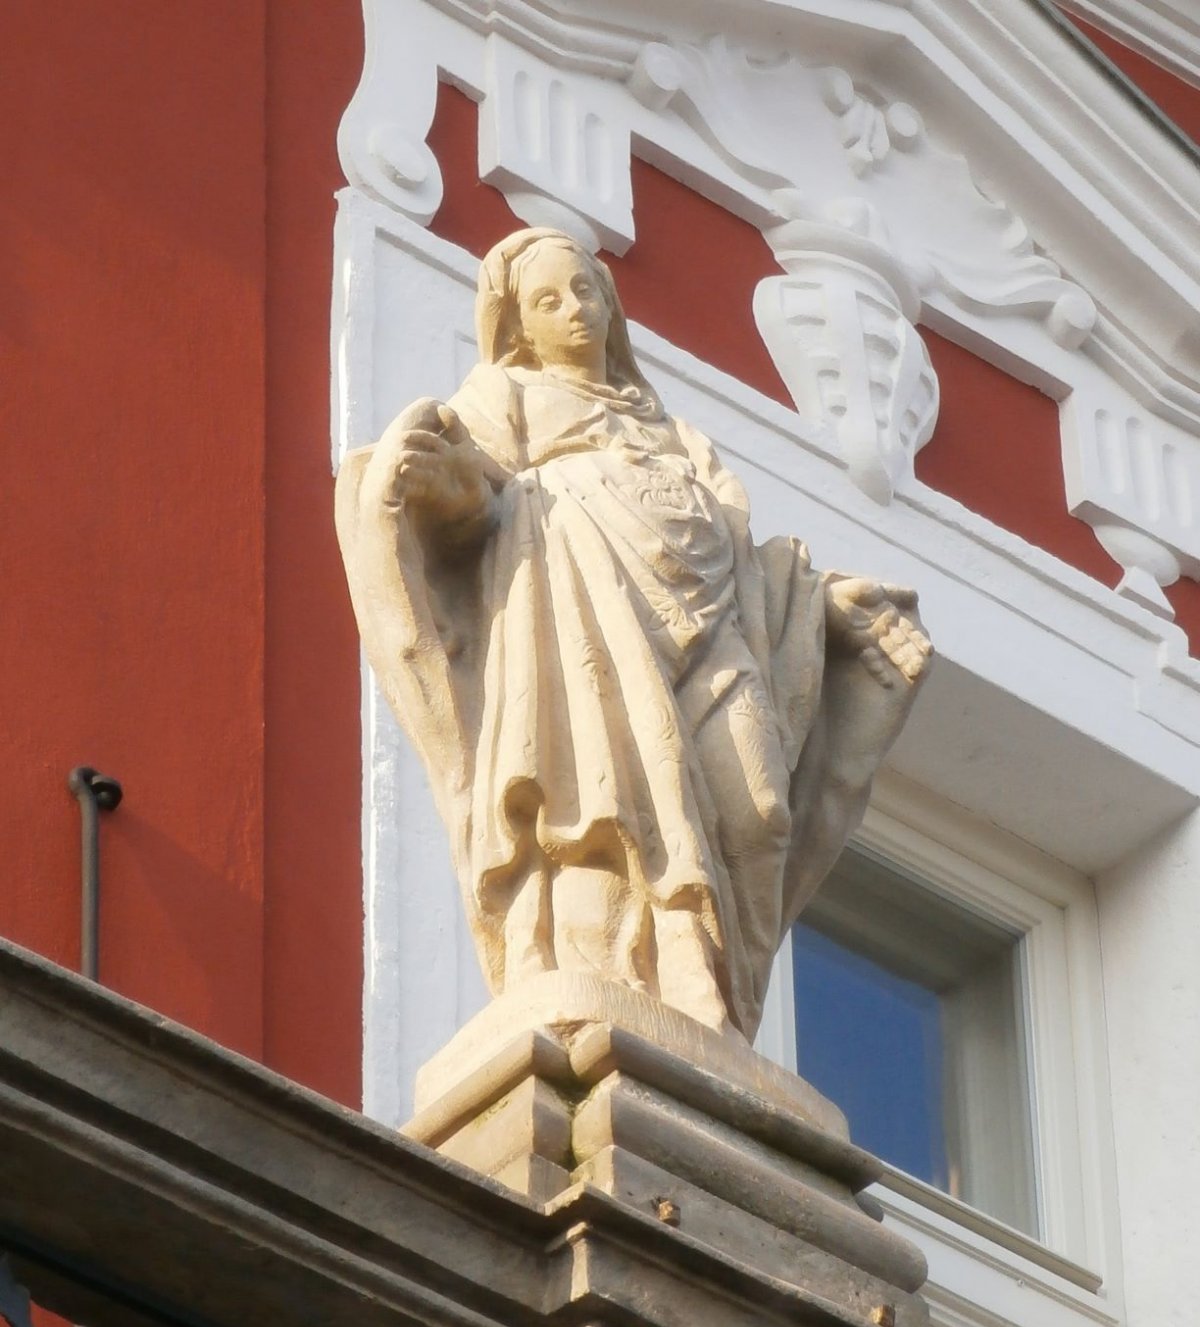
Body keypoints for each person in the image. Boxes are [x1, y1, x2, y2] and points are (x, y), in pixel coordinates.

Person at [336, 226, 931, 1043]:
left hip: (713, 631)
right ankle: (636, 978)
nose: (574, 311)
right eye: (548, 300)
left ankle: (727, 999)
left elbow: (744, 562)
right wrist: (427, 478)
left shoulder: (676, 433)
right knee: (603, 800)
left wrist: (825, 609)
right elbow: (475, 493)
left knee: (758, 814)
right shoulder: (505, 397)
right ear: (518, 323)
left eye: (585, 291)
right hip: (586, 626)